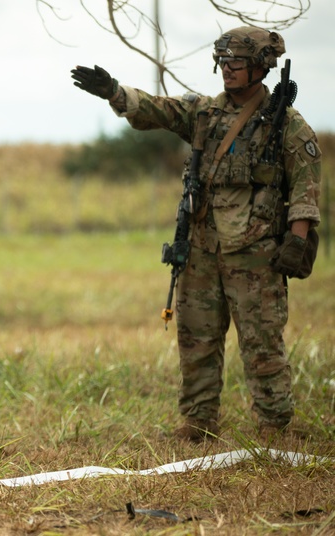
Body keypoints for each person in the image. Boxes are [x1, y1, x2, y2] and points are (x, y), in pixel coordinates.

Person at [71, 26, 321, 441]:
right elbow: (159, 110)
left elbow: (305, 190)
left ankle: (274, 426)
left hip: (254, 252)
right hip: (203, 246)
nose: (226, 70)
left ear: (260, 66)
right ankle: (198, 422)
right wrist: (115, 92)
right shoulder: (205, 113)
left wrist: (296, 240)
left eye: (236, 63)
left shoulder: (287, 127)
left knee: (262, 343)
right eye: (222, 62)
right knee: (196, 337)